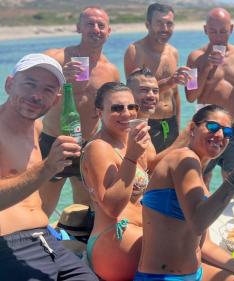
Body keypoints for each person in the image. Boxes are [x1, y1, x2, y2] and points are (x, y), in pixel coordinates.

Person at [137, 104, 234, 281]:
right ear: (193, 128)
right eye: (212, 127)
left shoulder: (197, 175)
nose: (220, 135)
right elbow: (198, 222)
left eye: (227, 132)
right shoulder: (183, 158)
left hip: (196, 273)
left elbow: (204, 245)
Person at [0, 53, 98, 280]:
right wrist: (48, 168)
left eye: (47, 90)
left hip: (47, 240)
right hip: (8, 245)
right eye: (29, 84)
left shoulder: (36, 128)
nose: (36, 96)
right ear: (9, 84)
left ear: (55, 100)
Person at [40, 6, 120, 214]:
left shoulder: (110, 70)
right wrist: (59, 78)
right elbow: (31, 92)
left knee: (85, 206)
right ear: (78, 28)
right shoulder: (55, 58)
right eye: (90, 24)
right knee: (43, 205)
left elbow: (114, 108)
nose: (96, 29)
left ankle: (79, 244)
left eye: (101, 25)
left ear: (108, 31)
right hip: (54, 140)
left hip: (88, 143)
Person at [80, 82, 153, 280]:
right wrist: (131, 157)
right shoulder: (98, 147)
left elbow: (156, 166)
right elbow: (112, 208)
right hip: (113, 240)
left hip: (139, 234)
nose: (127, 113)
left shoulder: (127, 141)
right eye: (117, 108)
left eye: (132, 107)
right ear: (99, 111)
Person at [185, 7, 234, 188]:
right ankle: (202, 212)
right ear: (205, 30)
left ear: (231, 29)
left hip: (233, 128)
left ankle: (228, 207)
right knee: (202, 176)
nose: (218, 37)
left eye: (223, 31)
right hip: (206, 130)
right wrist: (207, 67)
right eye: (213, 31)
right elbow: (191, 96)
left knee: (232, 176)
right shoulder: (195, 58)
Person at [124, 3, 190, 153]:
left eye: (169, 24)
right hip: (147, 124)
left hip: (170, 123)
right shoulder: (135, 51)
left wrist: (177, 125)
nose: (165, 28)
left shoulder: (173, 52)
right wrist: (169, 82)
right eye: (159, 23)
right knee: (147, 173)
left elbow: (175, 94)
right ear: (148, 24)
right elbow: (133, 94)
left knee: (169, 172)